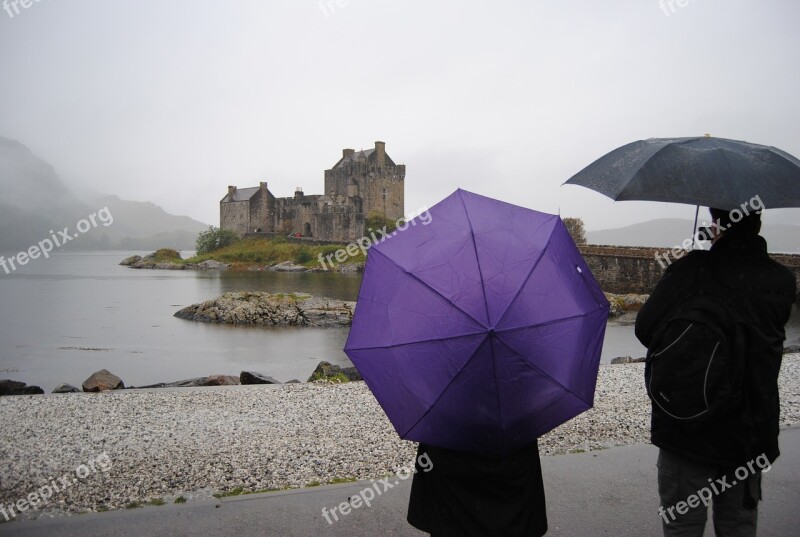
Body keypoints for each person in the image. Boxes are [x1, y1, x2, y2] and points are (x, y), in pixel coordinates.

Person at [635, 207, 796, 536]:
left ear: (718, 225)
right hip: (748, 434)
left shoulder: (691, 270)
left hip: (687, 426)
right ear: (757, 223)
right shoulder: (781, 281)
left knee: (683, 527)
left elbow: (645, 328)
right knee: (738, 527)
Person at [407, 440, 548, 537]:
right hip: (513, 507)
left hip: (450, 511)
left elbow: (429, 463)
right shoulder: (520, 408)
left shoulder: (442, 412)